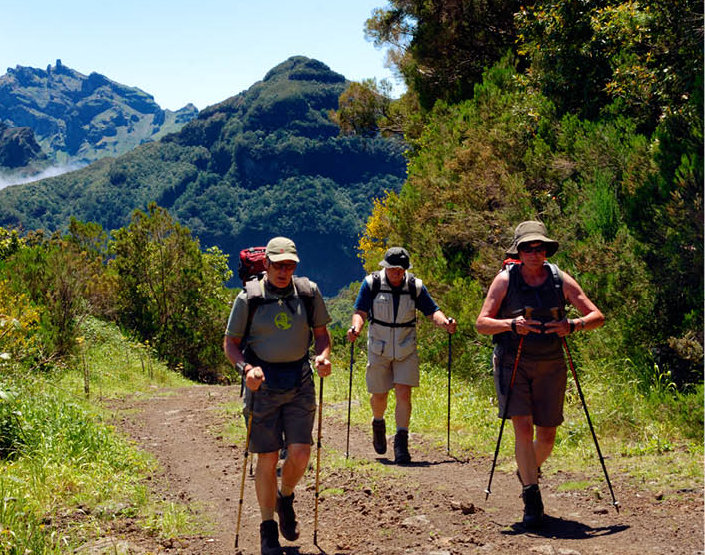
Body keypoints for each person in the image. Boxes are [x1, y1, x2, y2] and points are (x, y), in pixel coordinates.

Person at [475, 221, 604, 528]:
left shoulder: (560, 279)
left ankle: (526, 470)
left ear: (546, 250)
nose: (534, 253)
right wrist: (511, 325)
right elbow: (481, 323)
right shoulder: (504, 280)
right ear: (518, 252)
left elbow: (596, 315)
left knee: (547, 436)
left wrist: (573, 325)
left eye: (540, 248)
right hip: (512, 361)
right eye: (528, 248)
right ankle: (532, 497)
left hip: (551, 363)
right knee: (523, 427)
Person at [224, 236, 333, 555]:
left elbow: (322, 335)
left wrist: (323, 356)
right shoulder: (249, 298)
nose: (284, 271)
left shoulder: (309, 293)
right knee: (267, 458)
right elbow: (230, 343)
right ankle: (267, 527)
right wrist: (246, 369)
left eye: (290, 265)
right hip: (262, 386)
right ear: (267, 264)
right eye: (278, 265)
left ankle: (285, 496)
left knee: (300, 454)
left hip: (300, 380)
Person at [345, 247, 456, 464]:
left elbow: (432, 311)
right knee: (379, 396)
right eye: (393, 269)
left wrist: (445, 323)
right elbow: (360, 312)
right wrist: (355, 329)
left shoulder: (415, 286)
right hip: (379, 348)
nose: (397, 273)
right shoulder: (371, 284)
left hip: (406, 348)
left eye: (401, 269)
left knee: (404, 394)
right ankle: (378, 422)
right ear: (385, 267)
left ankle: (401, 443)